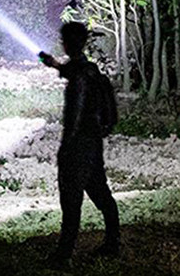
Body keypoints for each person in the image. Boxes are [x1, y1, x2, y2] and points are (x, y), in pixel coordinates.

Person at [39, 22, 120, 268]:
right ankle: (113, 242)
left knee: (71, 201)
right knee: (100, 192)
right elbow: (73, 70)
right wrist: (54, 65)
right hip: (93, 143)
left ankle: (64, 256)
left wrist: (66, 147)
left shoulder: (79, 78)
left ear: (67, 42)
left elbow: (74, 115)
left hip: (78, 145)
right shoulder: (89, 69)